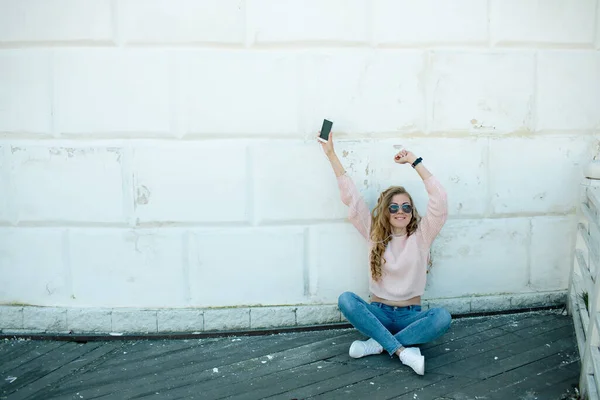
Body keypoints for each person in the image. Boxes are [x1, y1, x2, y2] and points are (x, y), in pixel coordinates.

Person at [319, 132, 451, 376]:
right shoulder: (374, 234)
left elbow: (440, 200)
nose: (400, 211)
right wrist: (331, 155)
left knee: (442, 317)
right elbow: (351, 197)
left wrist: (415, 162)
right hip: (377, 313)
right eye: (394, 207)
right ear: (386, 211)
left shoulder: (422, 236)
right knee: (346, 299)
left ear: (412, 212)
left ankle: (379, 344)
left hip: (410, 317)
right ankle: (402, 351)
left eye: (405, 207)